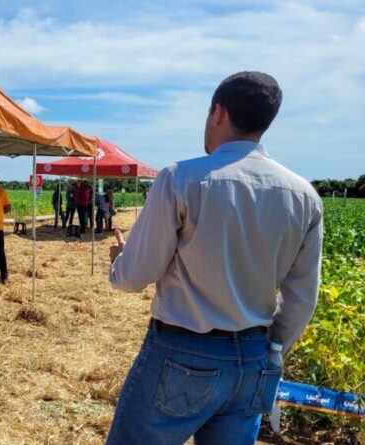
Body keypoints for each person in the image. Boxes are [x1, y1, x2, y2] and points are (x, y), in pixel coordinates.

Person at [106, 72, 323, 445]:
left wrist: (122, 261)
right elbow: (303, 298)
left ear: (218, 113)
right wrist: (272, 349)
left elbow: (134, 276)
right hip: (254, 358)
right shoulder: (304, 196)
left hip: (183, 351)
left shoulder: (181, 179)